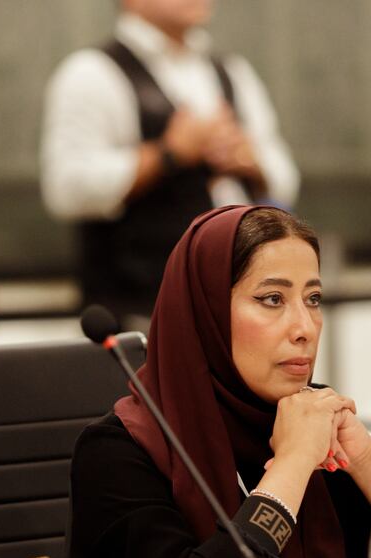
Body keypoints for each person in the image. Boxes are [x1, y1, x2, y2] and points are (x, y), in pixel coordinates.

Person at [52, 205, 371, 558]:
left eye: (313, 299)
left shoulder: (314, 420)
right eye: (272, 299)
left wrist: (368, 460)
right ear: (206, 314)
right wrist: (291, 467)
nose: (305, 328)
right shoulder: (119, 452)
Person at [41, 0, 299, 322]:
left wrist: (248, 159)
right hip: (141, 311)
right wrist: (168, 153)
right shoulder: (91, 73)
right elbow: (67, 189)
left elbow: (284, 178)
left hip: (238, 309)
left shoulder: (232, 70)